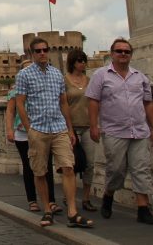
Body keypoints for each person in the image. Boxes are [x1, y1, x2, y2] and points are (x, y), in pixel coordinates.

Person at [15, 37, 93, 229]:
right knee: (40, 171)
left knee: (68, 168)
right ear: (31, 53)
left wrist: (70, 129)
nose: (42, 53)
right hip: (38, 129)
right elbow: (20, 103)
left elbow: (63, 102)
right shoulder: (24, 75)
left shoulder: (57, 74)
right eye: (38, 51)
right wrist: (29, 128)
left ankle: (72, 212)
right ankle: (47, 209)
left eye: (45, 49)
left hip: (59, 128)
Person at [87, 38, 153, 225]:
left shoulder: (140, 77)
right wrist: (94, 126)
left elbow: (148, 103)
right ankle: (108, 194)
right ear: (112, 54)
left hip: (139, 130)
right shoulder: (101, 75)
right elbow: (93, 101)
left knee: (141, 168)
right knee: (116, 170)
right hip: (114, 130)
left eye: (126, 52)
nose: (123, 54)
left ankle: (143, 208)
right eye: (119, 51)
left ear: (131, 55)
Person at [5, 81, 55, 213]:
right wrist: (9, 130)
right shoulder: (15, 89)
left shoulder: (44, 85)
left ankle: (51, 200)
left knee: (47, 166)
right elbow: (10, 111)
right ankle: (32, 200)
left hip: (43, 130)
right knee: (28, 166)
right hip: (23, 133)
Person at [64, 48, 97, 212]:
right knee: (72, 164)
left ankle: (86, 198)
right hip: (71, 128)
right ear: (72, 63)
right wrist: (69, 129)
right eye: (79, 60)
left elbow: (94, 103)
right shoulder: (64, 81)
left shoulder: (90, 81)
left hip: (88, 126)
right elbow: (63, 105)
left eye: (84, 60)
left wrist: (95, 124)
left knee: (89, 164)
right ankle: (69, 197)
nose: (83, 63)